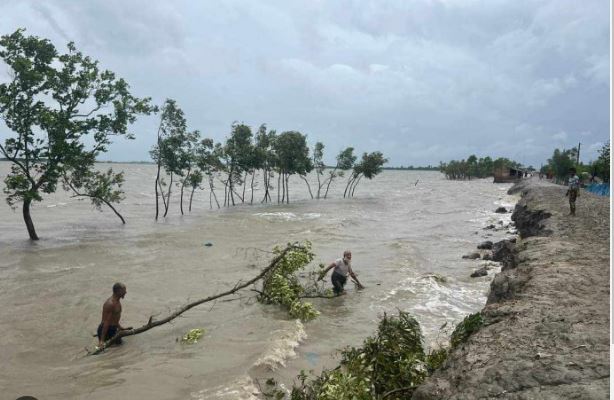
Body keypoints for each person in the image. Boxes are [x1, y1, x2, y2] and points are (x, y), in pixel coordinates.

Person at [97, 282, 131, 347]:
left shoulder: (117, 301)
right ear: (118, 291)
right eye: (124, 290)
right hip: (107, 331)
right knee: (113, 349)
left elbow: (114, 319)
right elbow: (106, 322)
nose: (126, 292)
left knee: (119, 348)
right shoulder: (110, 304)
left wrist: (121, 328)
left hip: (113, 329)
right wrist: (102, 340)